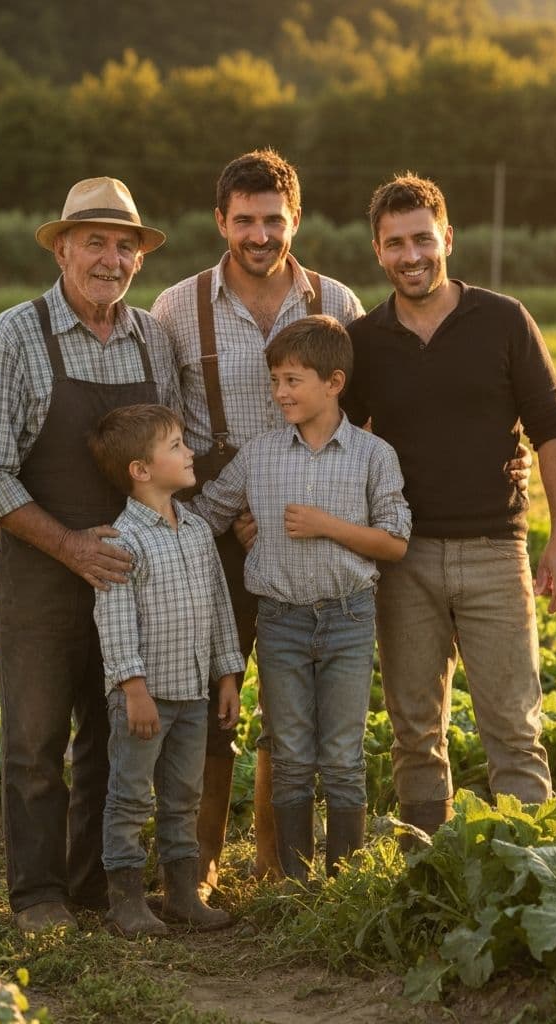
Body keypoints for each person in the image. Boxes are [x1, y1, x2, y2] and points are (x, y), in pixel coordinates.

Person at [0, 177, 181, 933]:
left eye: (125, 245)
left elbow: (174, 455)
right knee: (36, 737)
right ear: (61, 247)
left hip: (131, 573)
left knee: (114, 735)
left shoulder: (156, 338)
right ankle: (38, 894)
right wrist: (71, 546)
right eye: (95, 241)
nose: (111, 258)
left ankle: (96, 885)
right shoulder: (14, 335)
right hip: (43, 569)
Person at [149, 149, 364, 887]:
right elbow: (158, 424)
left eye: (274, 220)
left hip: (307, 521)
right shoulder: (177, 307)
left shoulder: (338, 300)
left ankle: (278, 857)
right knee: (211, 689)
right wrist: (230, 506)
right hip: (214, 529)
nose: (260, 234)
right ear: (221, 222)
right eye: (245, 220)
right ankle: (201, 856)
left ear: (295, 219)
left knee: (293, 686)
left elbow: (360, 420)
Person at [342, 173, 556, 836]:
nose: (411, 255)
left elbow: (553, 427)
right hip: (403, 559)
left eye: (423, 238)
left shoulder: (501, 320)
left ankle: (526, 866)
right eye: (396, 244)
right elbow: (341, 441)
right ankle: (431, 861)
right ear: (378, 252)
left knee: (514, 722)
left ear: (448, 237)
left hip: (495, 553)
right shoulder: (365, 341)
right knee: (415, 729)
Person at [190, 316, 411, 880]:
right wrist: (146, 519)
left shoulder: (373, 455)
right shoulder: (259, 454)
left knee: (342, 755)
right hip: (282, 622)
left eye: (293, 380)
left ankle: (344, 884)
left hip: (348, 619)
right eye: (275, 381)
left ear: (334, 383)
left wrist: (325, 525)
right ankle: (292, 883)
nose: (280, 393)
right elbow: (207, 513)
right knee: (287, 753)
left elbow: (394, 542)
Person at [88, 404, 244, 934]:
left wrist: (227, 676)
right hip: (145, 698)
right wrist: (133, 689)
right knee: (130, 797)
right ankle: (126, 902)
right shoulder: (120, 541)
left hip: (194, 697)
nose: (190, 451)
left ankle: (182, 895)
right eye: (176, 445)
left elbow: (220, 607)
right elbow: (114, 622)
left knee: (183, 799)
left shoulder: (197, 531)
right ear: (141, 469)